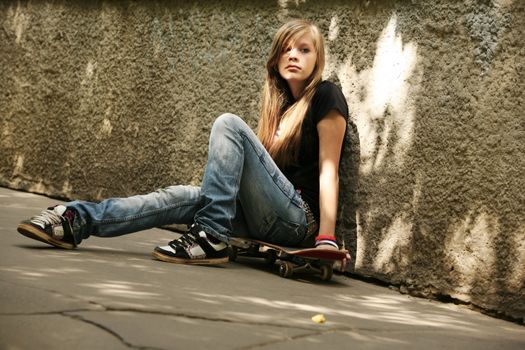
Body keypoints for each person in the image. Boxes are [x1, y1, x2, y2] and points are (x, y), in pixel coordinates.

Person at [17, 19, 349, 265]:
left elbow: (328, 171)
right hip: (263, 216)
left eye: (304, 50)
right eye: (286, 49)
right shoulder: (277, 109)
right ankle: (77, 219)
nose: (294, 55)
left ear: (317, 60)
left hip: (296, 220)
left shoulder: (326, 95)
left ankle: (210, 236)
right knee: (180, 196)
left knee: (228, 124)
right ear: (276, 59)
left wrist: (327, 240)